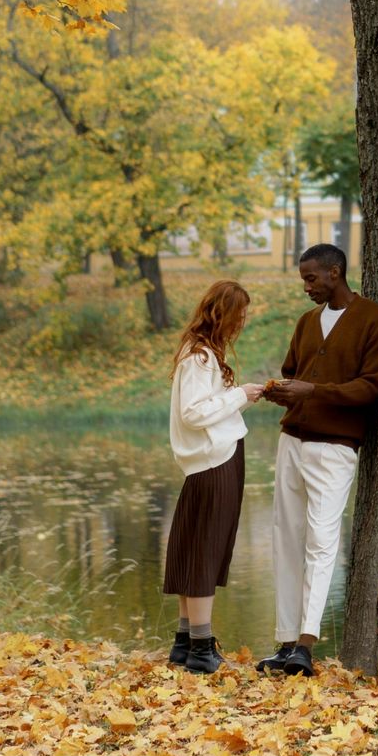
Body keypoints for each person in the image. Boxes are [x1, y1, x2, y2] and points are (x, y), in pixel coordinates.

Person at [260, 243, 378, 677]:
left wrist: (312, 391)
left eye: (311, 278)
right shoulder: (306, 322)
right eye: (304, 279)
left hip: (335, 447)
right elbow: (293, 371)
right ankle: (284, 642)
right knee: (286, 537)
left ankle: (306, 644)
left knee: (321, 541)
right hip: (292, 441)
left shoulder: (373, 319)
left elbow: (370, 387)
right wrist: (283, 391)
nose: (306, 287)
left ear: (335, 273)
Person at [163, 280, 265, 674]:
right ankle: (202, 649)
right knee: (204, 551)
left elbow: (210, 409)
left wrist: (243, 396)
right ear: (222, 312)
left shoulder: (202, 353)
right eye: (239, 313)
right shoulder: (200, 357)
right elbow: (193, 413)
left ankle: (186, 642)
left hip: (214, 460)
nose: (242, 321)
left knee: (195, 548)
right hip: (214, 463)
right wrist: (240, 395)